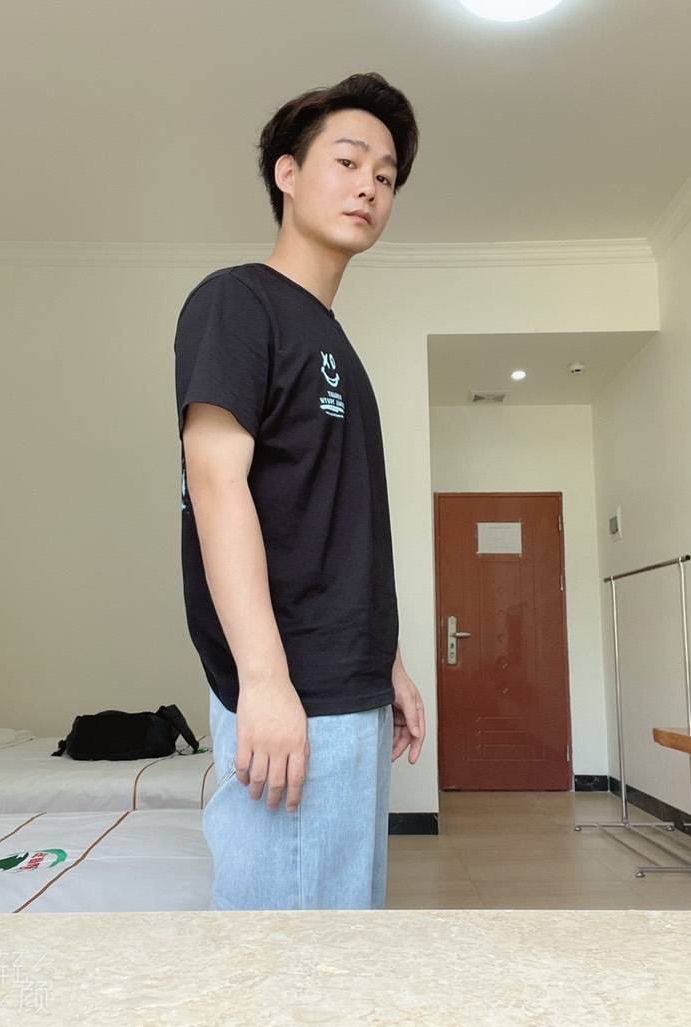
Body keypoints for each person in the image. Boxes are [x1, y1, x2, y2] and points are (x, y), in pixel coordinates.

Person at [173, 72, 425, 910]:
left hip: (347, 683)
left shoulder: (336, 344)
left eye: (386, 176)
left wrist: (387, 662)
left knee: (343, 933)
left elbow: (337, 525)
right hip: (292, 688)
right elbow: (216, 484)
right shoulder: (238, 301)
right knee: (282, 954)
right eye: (348, 162)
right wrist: (264, 682)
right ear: (287, 173)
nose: (369, 187)